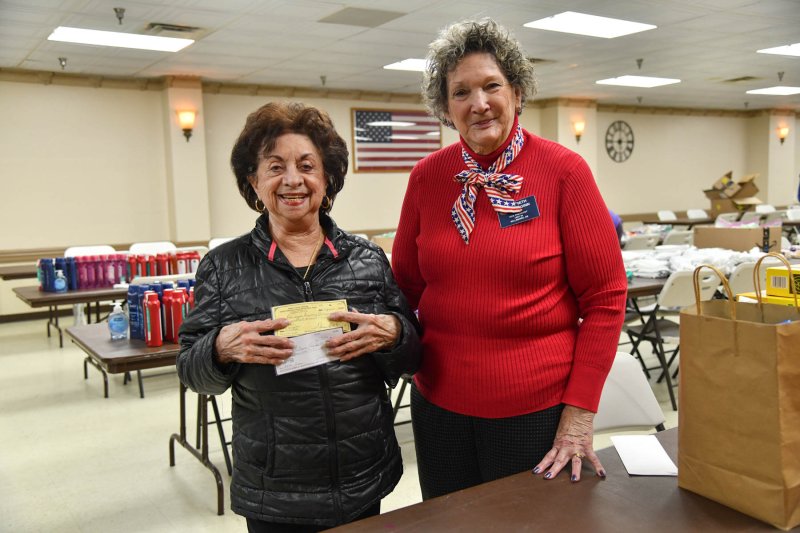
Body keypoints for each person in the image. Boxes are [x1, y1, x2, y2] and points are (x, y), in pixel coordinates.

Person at [391, 18, 627, 499]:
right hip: (438, 409)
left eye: (491, 85)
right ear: (446, 109)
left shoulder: (564, 172)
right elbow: (404, 289)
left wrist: (580, 413)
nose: (478, 103)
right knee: (448, 525)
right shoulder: (427, 178)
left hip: (536, 414)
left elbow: (606, 298)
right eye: (461, 92)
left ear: (517, 93)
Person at [177, 101, 421, 532]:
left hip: (362, 474)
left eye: (307, 166)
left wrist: (396, 333)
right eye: (275, 167)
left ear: (327, 179)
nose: (293, 179)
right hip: (274, 487)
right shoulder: (222, 266)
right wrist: (218, 349)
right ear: (254, 182)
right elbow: (191, 371)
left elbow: (411, 360)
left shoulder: (366, 259)